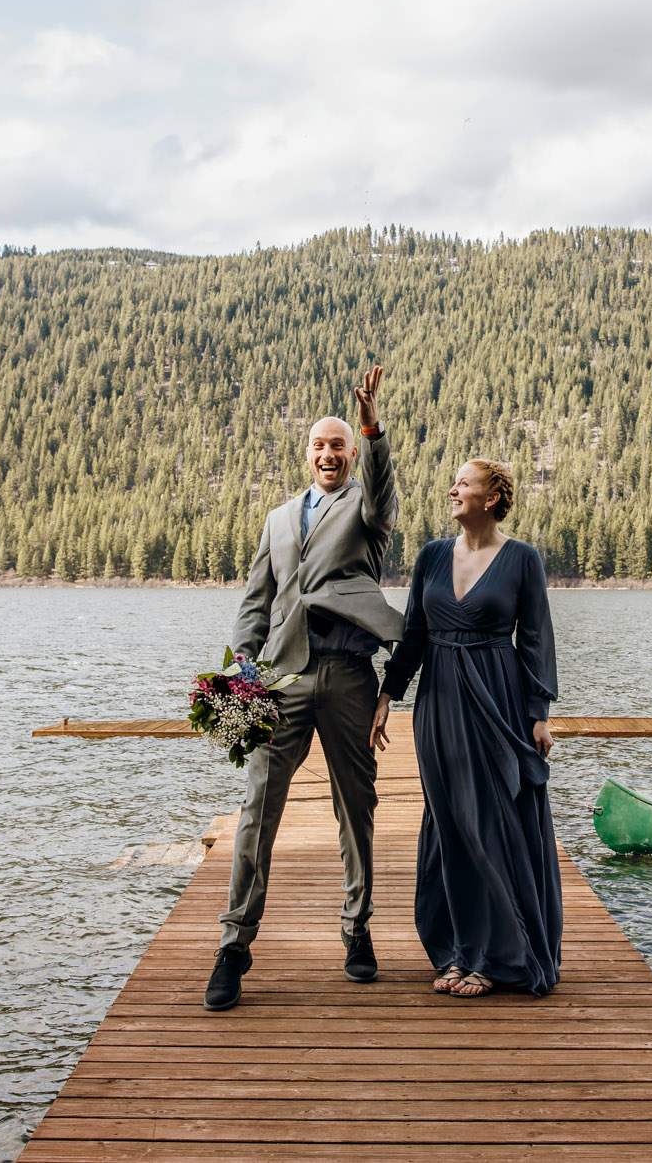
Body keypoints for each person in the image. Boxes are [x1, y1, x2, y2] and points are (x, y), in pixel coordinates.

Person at [207, 366, 404, 1012]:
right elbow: (254, 602)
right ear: (307, 453)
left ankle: (357, 928)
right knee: (257, 807)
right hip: (280, 681)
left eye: (339, 445)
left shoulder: (368, 512)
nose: (328, 453)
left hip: (348, 676)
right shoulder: (277, 520)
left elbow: (380, 483)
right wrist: (240, 665)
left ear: (350, 453)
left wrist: (371, 423)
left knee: (358, 809)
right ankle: (234, 945)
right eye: (320, 444)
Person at [375, 457, 562, 998]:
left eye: (464, 482)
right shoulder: (432, 555)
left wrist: (538, 713)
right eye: (454, 481)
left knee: (492, 823)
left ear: (491, 497)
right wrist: (389, 693)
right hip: (438, 701)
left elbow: (535, 641)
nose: (452, 488)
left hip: (495, 698)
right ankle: (458, 949)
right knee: (450, 823)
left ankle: (500, 957)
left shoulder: (523, 559)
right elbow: (413, 632)